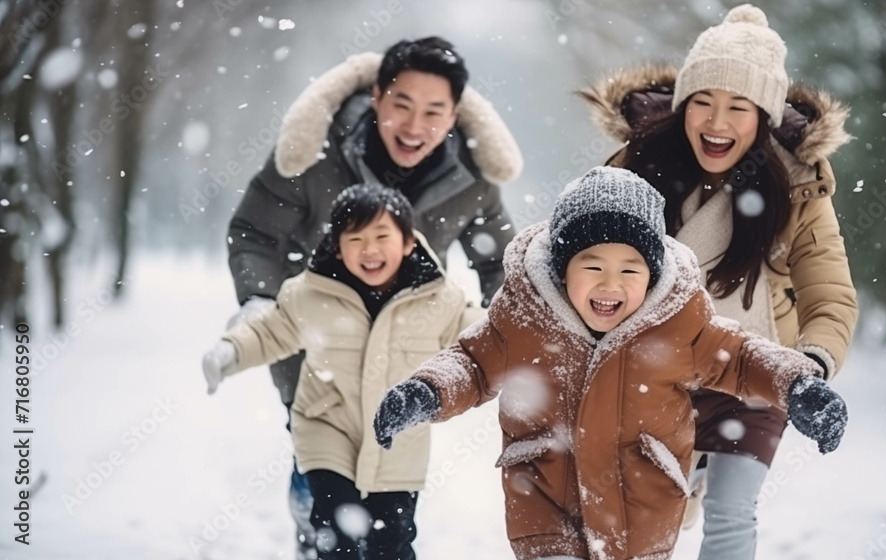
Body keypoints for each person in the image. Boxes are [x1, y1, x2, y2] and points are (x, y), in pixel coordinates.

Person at [371, 166, 848, 560]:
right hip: (546, 510)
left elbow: (743, 356)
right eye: (593, 266)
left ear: (652, 272)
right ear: (562, 269)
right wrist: (425, 392)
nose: (610, 285)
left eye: (629, 269)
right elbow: (471, 364)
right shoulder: (525, 317)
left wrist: (798, 386)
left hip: (642, 519)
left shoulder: (677, 322)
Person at [578, 5, 858, 558]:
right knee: (648, 517)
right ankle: (685, 482)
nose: (717, 122)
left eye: (738, 107)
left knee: (732, 513)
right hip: (655, 375)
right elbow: (580, 264)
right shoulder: (634, 169)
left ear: (765, 116)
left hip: (753, 374)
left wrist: (814, 367)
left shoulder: (798, 190)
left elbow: (831, 295)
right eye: (702, 102)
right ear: (683, 105)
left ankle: (707, 477)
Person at [224, 36, 522, 556]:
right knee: (323, 497)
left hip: (401, 365)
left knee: (388, 509)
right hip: (318, 356)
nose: (414, 126)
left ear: (455, 115)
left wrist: (507, 335)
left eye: (434, 111)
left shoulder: (470, 180)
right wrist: (260, 302)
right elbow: (255, 231)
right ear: (376, 96)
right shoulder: (315, 155)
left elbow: (499, 263)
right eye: (401, 104)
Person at [204, 183, 481, 560]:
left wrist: (518, 352)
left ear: (407, 242)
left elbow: (478, 337)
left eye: (382, 235)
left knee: (392, 544)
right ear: (337, 245)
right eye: (355, 238)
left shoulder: (440, 299)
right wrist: (231, 351)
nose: (369, 249)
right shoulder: (310, 294)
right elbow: (270, 330)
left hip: (398, 441)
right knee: (337, 535)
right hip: (325, 428)